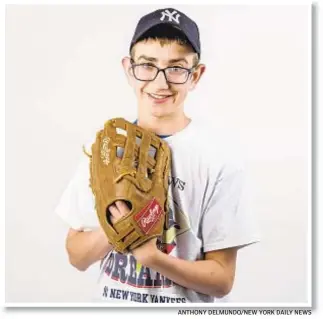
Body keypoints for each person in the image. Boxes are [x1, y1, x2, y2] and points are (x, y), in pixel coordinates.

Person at [55, 7, 260, 303]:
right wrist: (120, 228)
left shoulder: (219, 159)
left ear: (196, 75)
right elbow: (77, 256)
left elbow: (222, 279)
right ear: (128, 69)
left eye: (176, 68)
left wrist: (152, 257)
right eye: (147, 65)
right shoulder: (106, 149)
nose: (160, 82)